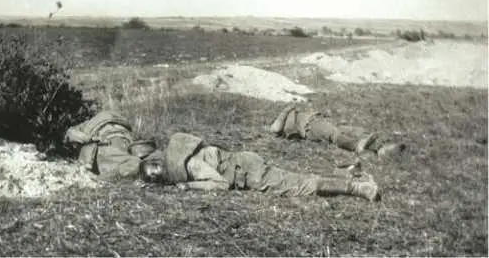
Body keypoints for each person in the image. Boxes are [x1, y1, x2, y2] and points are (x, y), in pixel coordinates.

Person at [139, 132, 381, 202]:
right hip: (245, 162)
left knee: (302, 185)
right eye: (154, 177)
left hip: (250, 172)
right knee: (297, 177)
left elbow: (221, 185)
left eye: (155, 172)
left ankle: (361, 188)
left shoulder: (190, 166)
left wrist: (188, 187)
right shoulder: (182, 154)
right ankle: (351, 174)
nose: (156, 176)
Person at [269, 103, 405, 158]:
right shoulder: (283, 121)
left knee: (349, 129)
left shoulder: (292, 115)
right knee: (333, 133)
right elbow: (275, 129)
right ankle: (357, 146)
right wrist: (287, 110)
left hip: (315, 120)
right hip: (309, 127)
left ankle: (380, 147)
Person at [63, 110, 158, 179]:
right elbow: (70, 135)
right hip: (116, 139)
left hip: (113, 139)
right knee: (134, 161)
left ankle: (145, 168)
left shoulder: (86, 124)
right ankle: (148, 167)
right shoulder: (89, 124)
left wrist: (86, 138)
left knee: (129, 162)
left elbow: (70, 135)